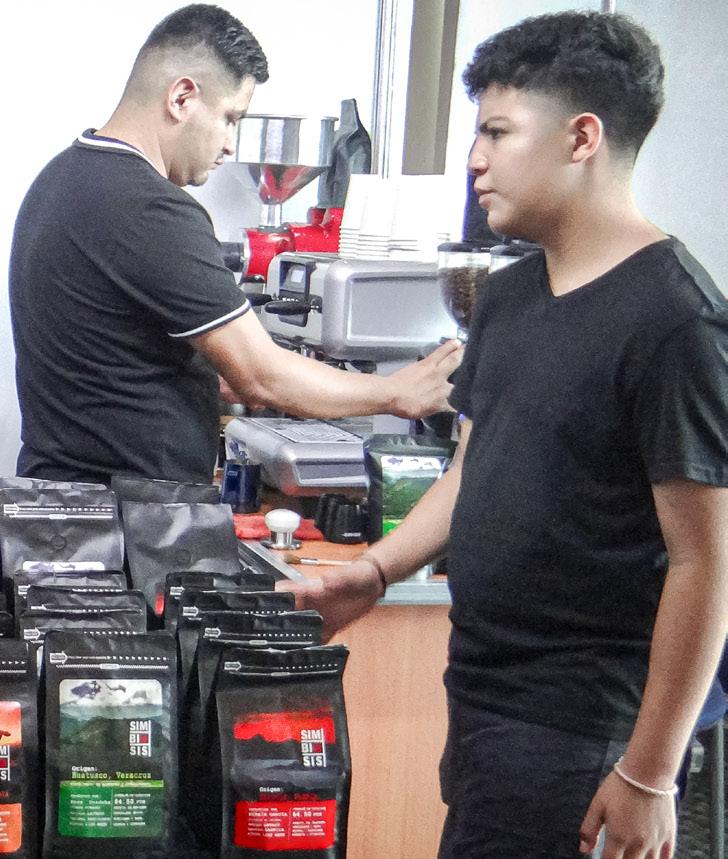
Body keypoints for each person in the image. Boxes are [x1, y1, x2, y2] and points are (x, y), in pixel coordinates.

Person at [294, 12, 728, 858]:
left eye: (497, 132)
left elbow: (705, 561)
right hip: (485, 695)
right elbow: (475, 462)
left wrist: (649, 772)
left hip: (585, 724)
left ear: (582, 138)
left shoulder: (676, 320)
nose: (475, 159)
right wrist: (376, 570)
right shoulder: (511, 296)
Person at [8, 4, 463, 485]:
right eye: (230, 117)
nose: (230, 143)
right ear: (182, 97)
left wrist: (207, 375)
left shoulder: (61, 178)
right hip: (130, 513)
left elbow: (107, 356)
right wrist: (397, 393)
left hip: (60, 496)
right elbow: (261, 376)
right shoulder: (150, 207)